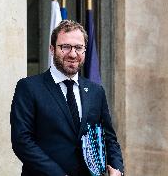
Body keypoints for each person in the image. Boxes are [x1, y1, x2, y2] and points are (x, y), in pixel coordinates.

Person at [10, 20, 124, 176]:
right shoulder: (29, 88)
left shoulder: (95, 91)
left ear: (84, 51)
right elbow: (22, 141)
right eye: (65, 47)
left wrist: (117, 168)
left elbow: (109, 138)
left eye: (78, 47)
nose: (72, 54)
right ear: (52, 49)